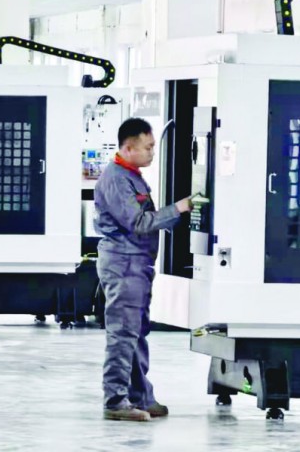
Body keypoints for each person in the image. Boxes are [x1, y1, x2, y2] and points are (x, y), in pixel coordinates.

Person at [94, 117, 193, 421]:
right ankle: (115, 401)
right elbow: (138, 222)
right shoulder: (116, 179)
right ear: (128, 148)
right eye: (147, 147)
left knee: (136, 332)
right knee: (123, 334)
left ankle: (140, 397)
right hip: (124, 264)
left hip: (136, 264)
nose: (152, 152)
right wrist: (179, 208)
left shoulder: (131, 175)